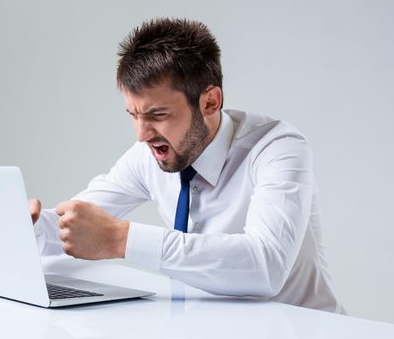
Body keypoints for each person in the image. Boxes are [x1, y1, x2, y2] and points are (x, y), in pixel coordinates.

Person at [30, 18, 345, 313]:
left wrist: (122, 239)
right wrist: (27, 228)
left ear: (210, 102)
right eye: (133, 115)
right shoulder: (148, 155)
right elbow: (79, 227)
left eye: (157, 114)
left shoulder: (278, 148)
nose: (142, 135)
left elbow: (266, 266)